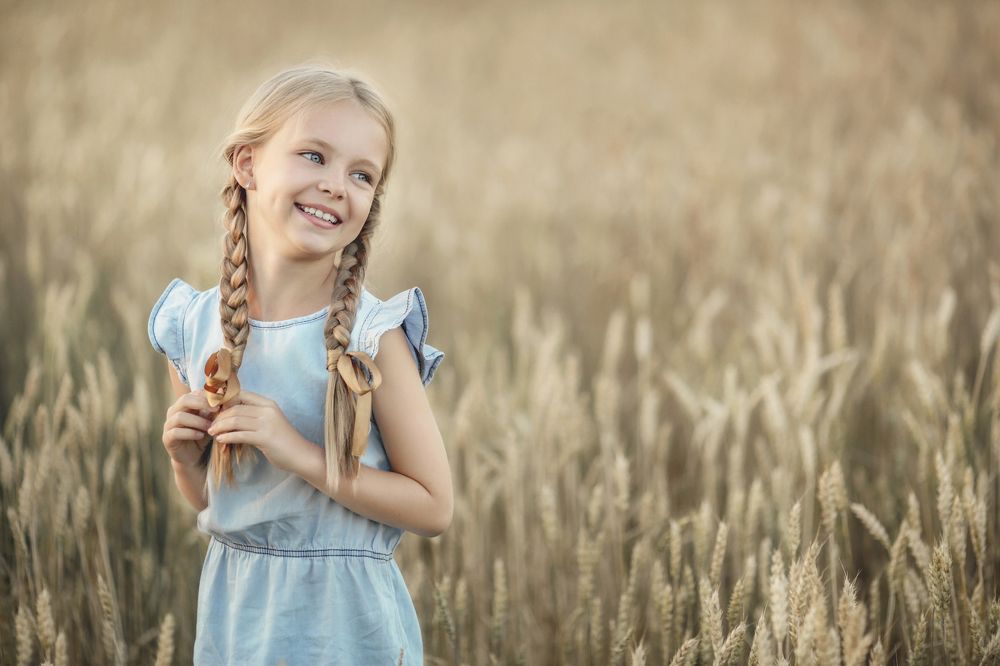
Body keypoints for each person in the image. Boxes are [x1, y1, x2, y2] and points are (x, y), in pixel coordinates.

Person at [146, 63, 452, 665]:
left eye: (362, 174)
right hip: (240, 621)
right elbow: (215, 502)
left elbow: (433, 506)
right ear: (247, 165)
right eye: (314, 156)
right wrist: (186, 461)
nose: (337, 184)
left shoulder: (372, 337)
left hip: (346, 627)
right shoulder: (195, 328)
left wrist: (299, 452)